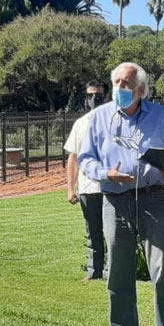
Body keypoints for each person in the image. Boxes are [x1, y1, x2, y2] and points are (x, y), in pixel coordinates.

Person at [78, 62, 164, 326]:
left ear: (141, 89)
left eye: (125, 84)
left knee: (162, 271)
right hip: (115, 200)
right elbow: (86, 158)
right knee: (118, 273)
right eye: (116, 82)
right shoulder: (100, 117)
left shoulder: (160, 115)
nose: (119, 89)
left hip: (154, 199)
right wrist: (105, 173)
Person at [64, 79, 109, 282]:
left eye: (98, 95)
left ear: (106, 96)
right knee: (93, 231)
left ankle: (114, 271)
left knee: (114, 231)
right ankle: (94, 271)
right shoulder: (80, 124)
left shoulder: (117, 120)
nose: (94, 99)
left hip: (112, 186)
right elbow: (73, 157)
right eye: (90, 95)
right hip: (88, 187)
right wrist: (70, 188)